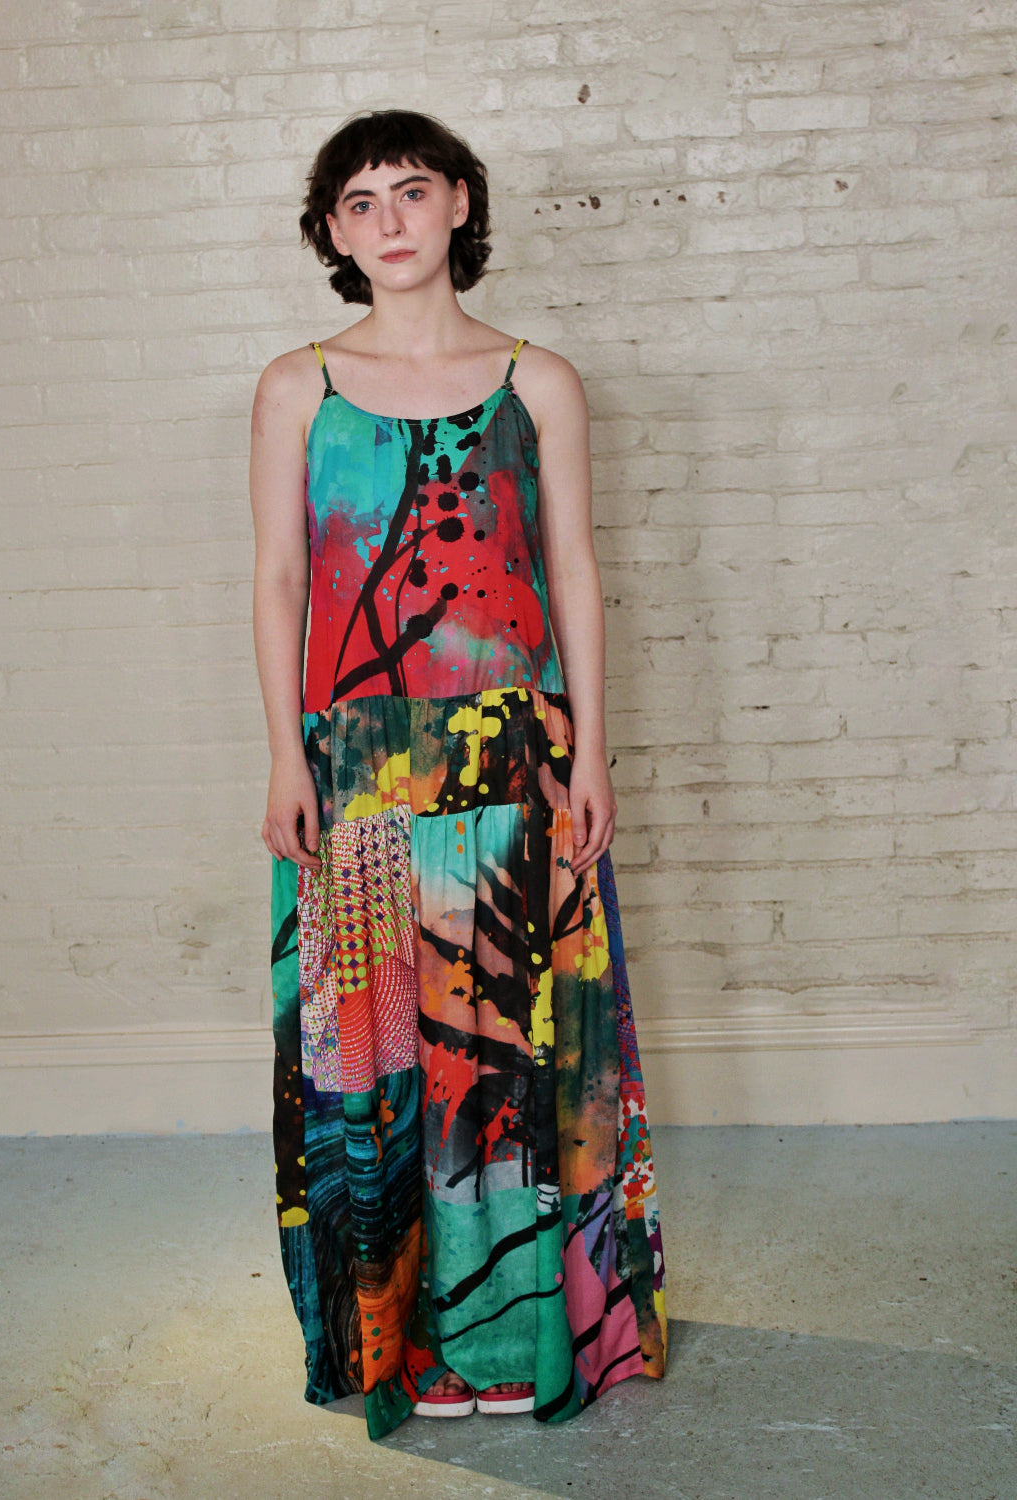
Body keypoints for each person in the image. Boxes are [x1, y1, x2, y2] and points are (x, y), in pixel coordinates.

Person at [249, 108, 666, 1442]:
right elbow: (277, 580)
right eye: (359, 203)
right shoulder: (298, 386)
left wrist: (592, 748)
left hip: (512, 761)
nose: (390, 222)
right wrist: (284, 753)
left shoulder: (538, 382)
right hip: (359, 768)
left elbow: (575, 568)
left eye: (412, 192)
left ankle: (521, 1337)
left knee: (512, 1062)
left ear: (461, 203)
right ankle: (402, 1346)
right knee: (377, 1074)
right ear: (332, 231)